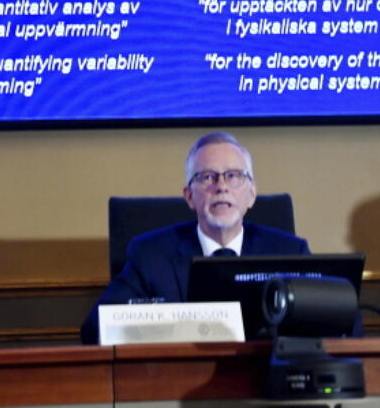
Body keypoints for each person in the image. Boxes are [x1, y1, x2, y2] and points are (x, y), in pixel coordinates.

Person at [81, 131, 309, 343]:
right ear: (189, 196)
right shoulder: (151, 255)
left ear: (251, 194)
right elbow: (95, 328)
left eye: (234, 176)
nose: (221, 187)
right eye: (207, 177)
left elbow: (330, 322)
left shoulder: (290, 252)